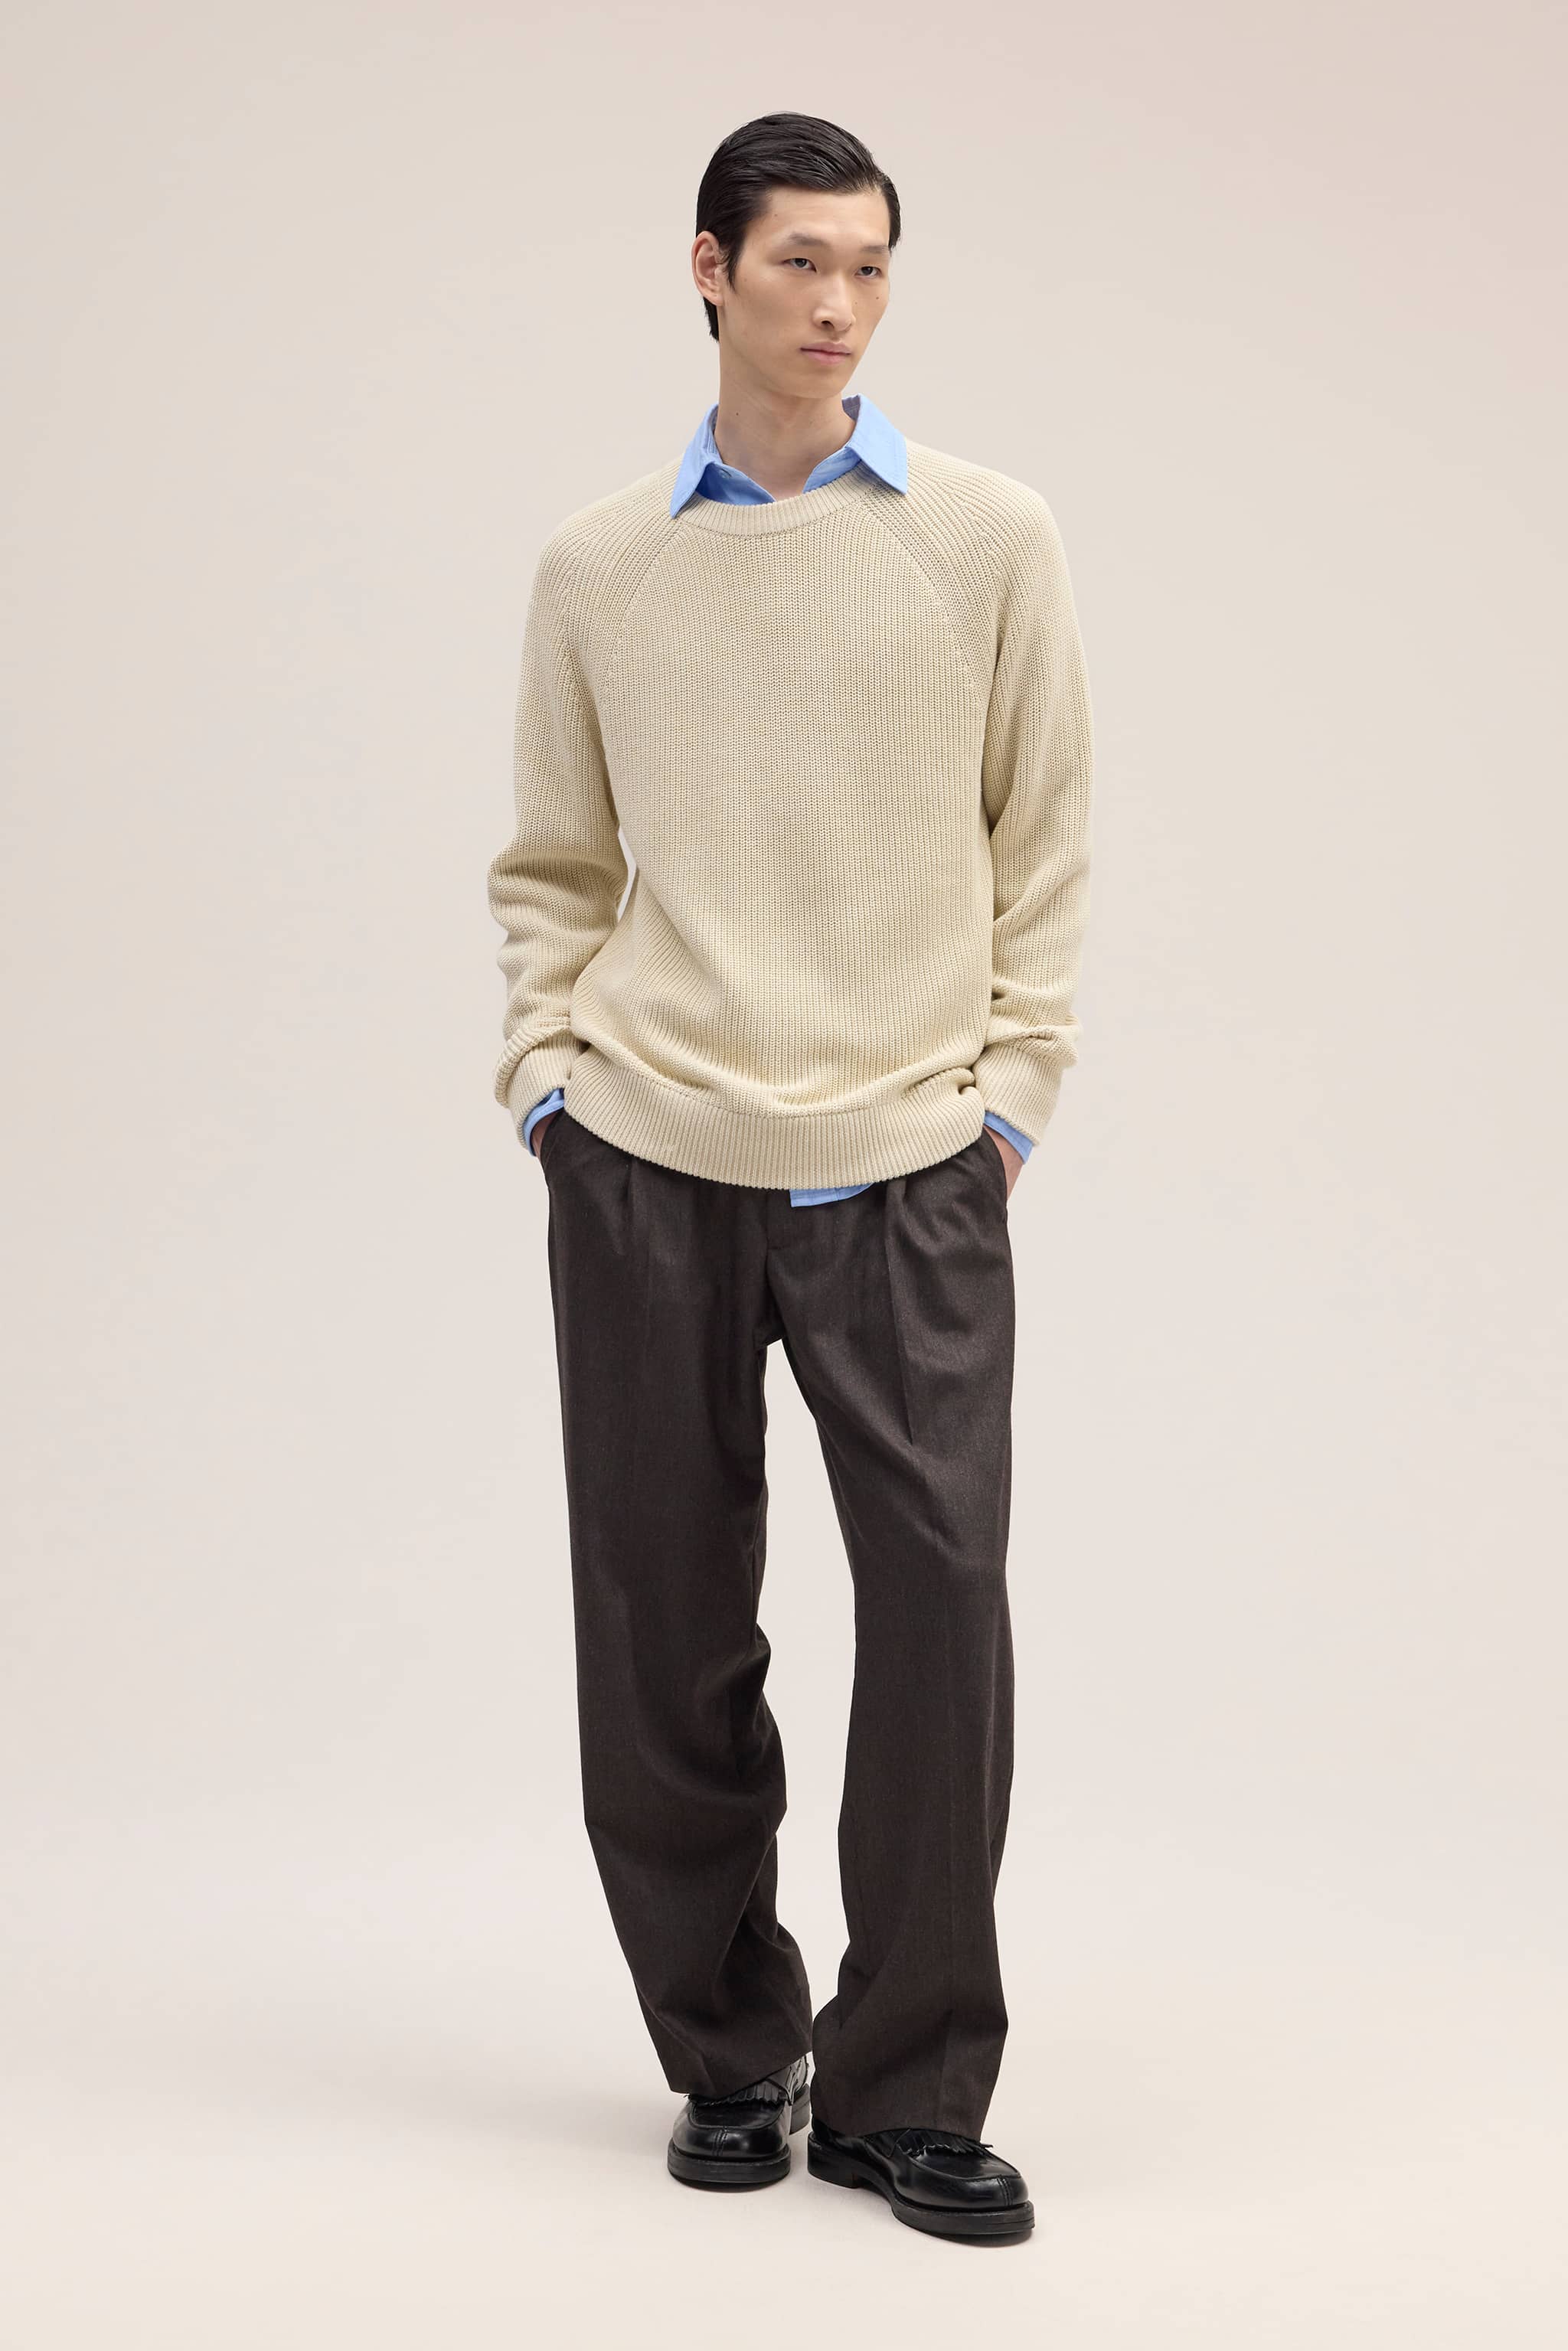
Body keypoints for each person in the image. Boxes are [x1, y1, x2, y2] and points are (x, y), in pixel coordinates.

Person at [485, 110, 1093, 2247]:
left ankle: (910, 2085)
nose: (842, 306)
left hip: (911, 1158)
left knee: (939, 1615)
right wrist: (548, 1085)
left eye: (872, 267)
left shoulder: (986, 538)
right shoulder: (599, 568)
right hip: (647, 1157)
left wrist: (1010, 1098)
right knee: (661, 1623)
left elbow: (1045, 835)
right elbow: (554, 864)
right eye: (802, 264)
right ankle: (732, 2054)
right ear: (709, 271)